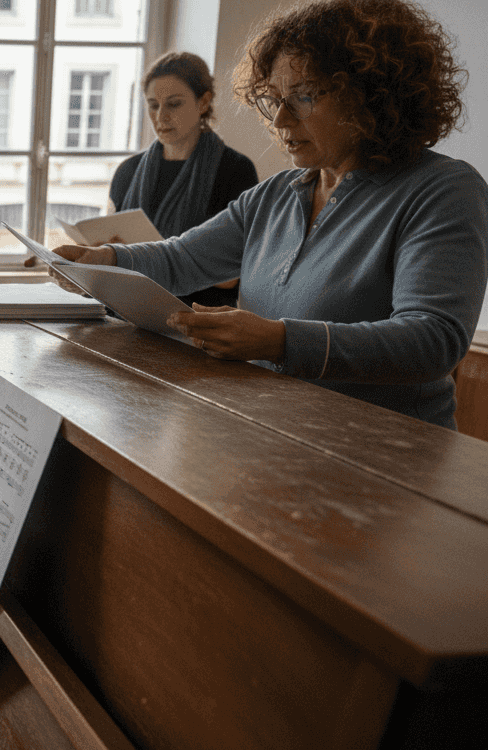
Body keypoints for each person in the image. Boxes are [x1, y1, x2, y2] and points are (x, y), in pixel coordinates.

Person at [54, 0, 487, 429]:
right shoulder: (276, 194)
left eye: (302, 97)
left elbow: (433, 340)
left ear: (371, 95)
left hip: (388, 457)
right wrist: (105, 262)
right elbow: (180, 259)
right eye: (274, 100)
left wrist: (280, 340)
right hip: (270, 435)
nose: (280, 119)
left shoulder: (443, 190)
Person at [108, 51, 258, 307]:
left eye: (174, 103)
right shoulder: (127, 171)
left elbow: (235, 275)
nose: (161, 116)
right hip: (128, 312)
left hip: (197, 320)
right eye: (153, 105)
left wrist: (153, 257)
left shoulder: (235, 171)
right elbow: (109, 248)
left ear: (203, 102)